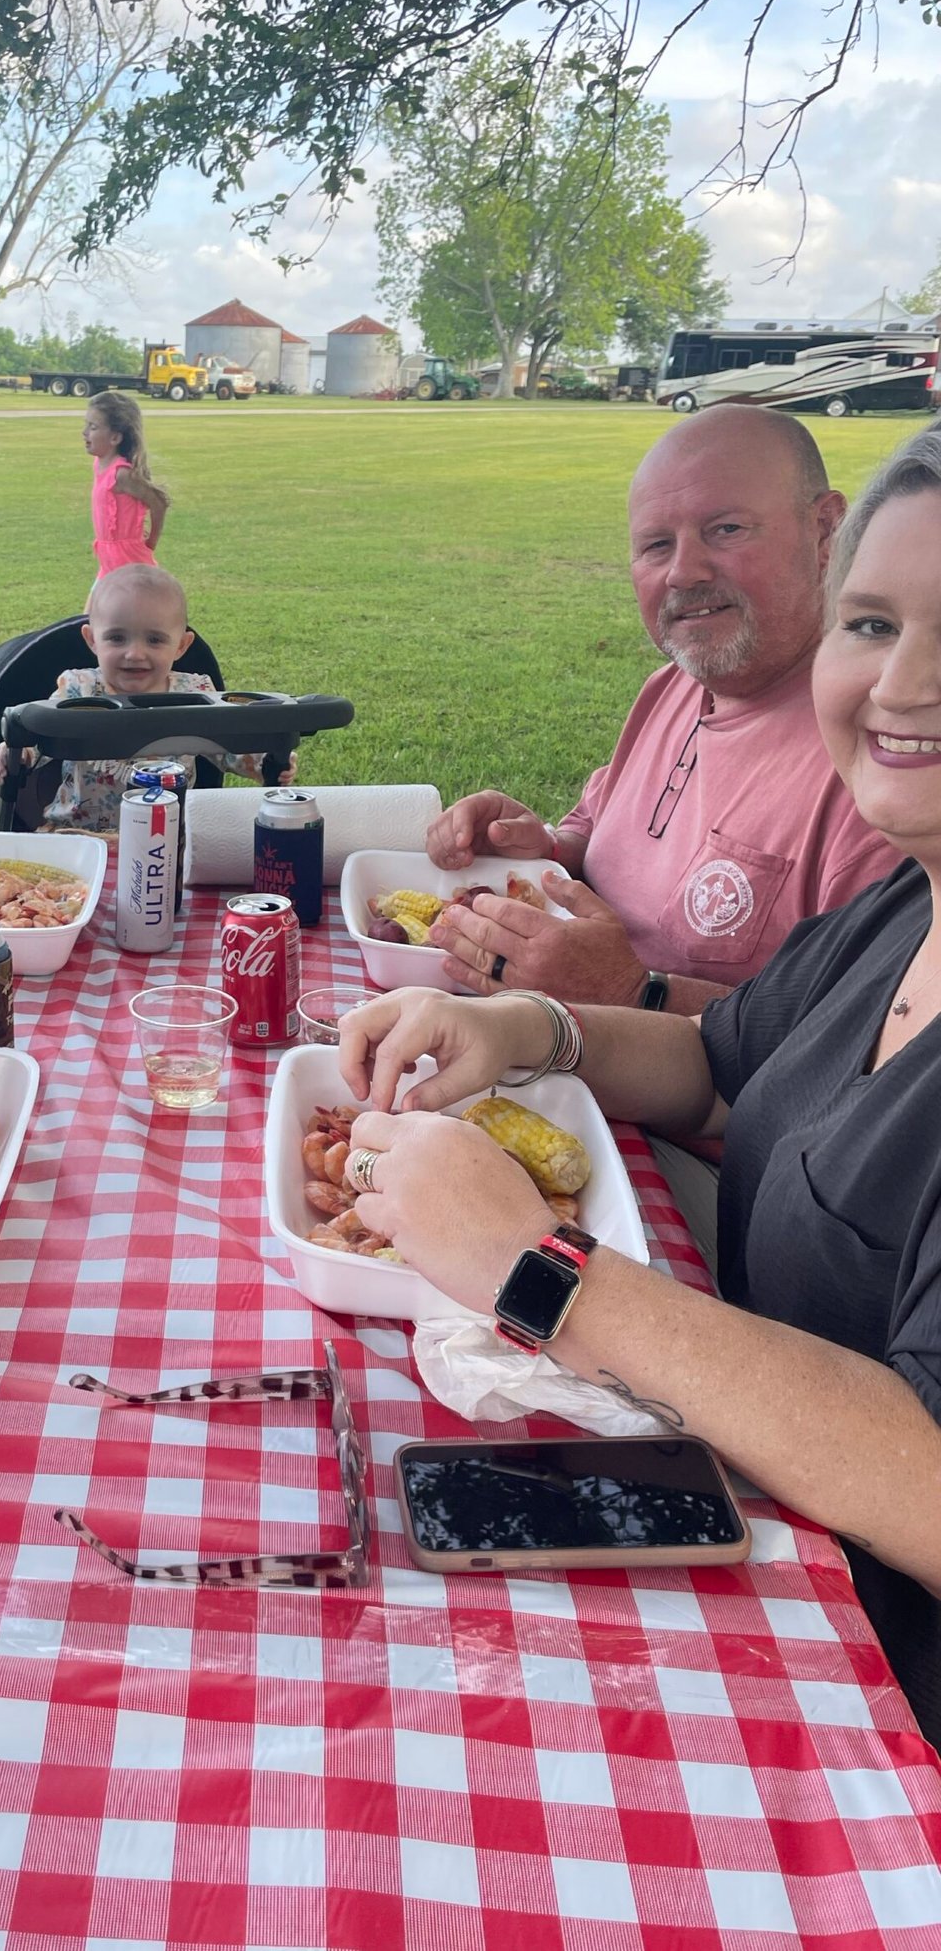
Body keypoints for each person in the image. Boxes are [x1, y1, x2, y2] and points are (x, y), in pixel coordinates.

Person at [336, 418, 941, 1746]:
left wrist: (539, 1266)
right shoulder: (908, 907)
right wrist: (521, 1029)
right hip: (728, 1491)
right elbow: (722, 1069)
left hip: (869, 1696)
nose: (904, 687)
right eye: (879, 626)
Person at [425, 407, 897, 1013]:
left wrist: (634, 994)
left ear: (826, 529)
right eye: (656, 545)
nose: (684, 571)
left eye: (726, 529)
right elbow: (593, 834)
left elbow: (859, 1047)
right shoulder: (673, 685)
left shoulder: (881, 759)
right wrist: (539, 847)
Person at [0, 564, 291, 833]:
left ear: (181, 646)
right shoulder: (79, 690)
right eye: (117, 638)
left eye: (155, 640)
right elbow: (42, 734)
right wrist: (19, 752)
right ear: (92, 640)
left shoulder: (194, 695)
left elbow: (229, 745)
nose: (135, 653)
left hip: (167, 838)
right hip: (77, 834)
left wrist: (268, 761)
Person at [85, 390, 168, 594]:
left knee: (131, 620)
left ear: (115, 437)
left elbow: (159, 502)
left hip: (128, 562)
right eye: (86, 425)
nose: (84, 432)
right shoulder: (99, 464)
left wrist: (151, 542)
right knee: (91, 620)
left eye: (93, 427)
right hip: (108, 562)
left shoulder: (122, 474)